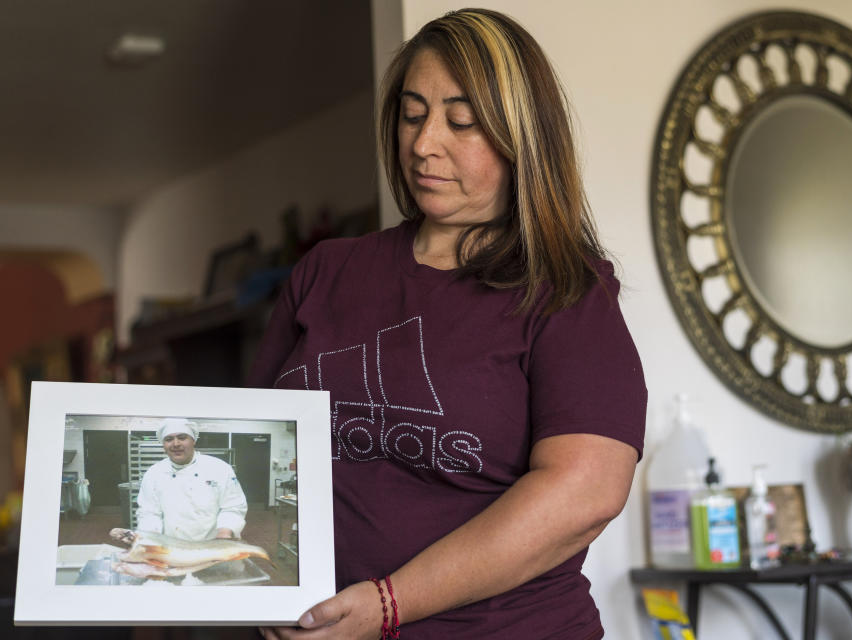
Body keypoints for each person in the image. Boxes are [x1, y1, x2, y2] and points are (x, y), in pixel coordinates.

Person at [251, 8, 646, 639]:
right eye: (413, 114)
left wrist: (388, 604)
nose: (424, 142)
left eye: (460, 122)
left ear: (522, 138)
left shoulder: (567, 291)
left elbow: (584, 494)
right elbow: (246, 450)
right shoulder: (325, 271)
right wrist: (265, 593)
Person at [136, 418, 247, 541]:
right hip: (171, 549)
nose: (176, 444)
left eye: (182, 437)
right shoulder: (154, 474)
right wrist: (150, 538)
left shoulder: (219, 469)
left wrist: (225, 531)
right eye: (169, 439)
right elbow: (149, 513)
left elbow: (233, 507)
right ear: (163, 445)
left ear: (193, 441)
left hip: (214, 545)